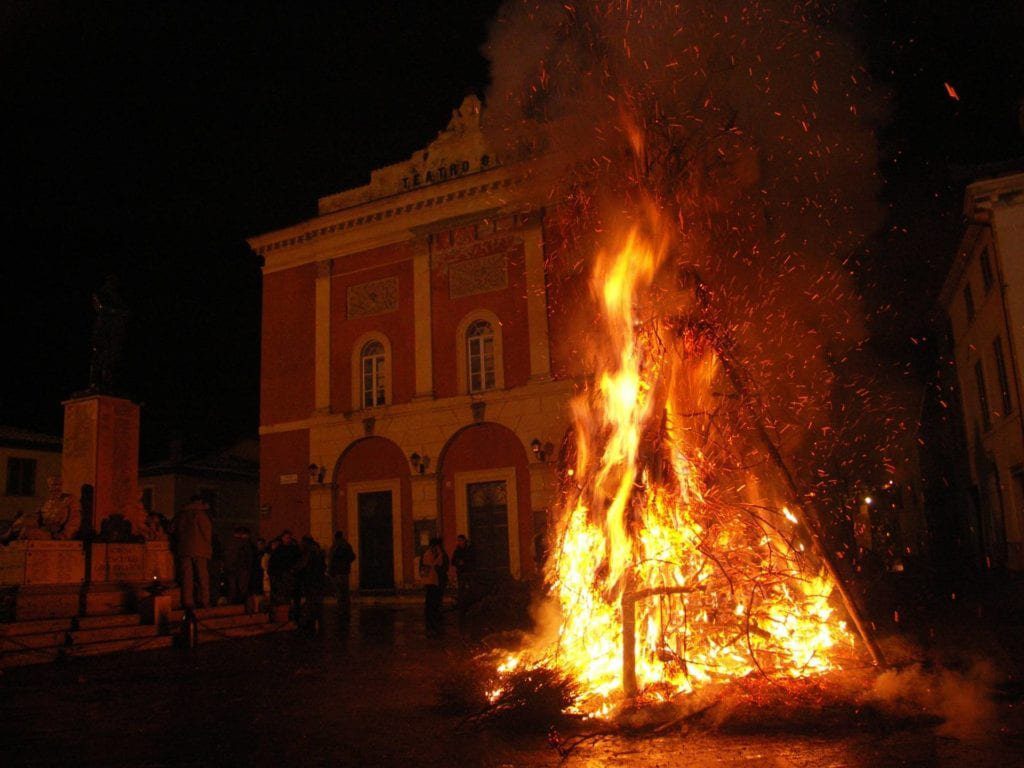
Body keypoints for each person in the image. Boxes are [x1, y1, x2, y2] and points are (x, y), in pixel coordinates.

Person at [172, 496, 213, 609]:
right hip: (200, 550)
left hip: (184, 549)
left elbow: (173, 530)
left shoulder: (181, 514)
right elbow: (206, 533)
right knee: (202, 576)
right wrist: (208, 547)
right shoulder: (201, 515)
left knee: (186, 577)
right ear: (200, 502)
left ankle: (187, 601)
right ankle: (204, 601)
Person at [294, 535, 327, 634]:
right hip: (318, 581)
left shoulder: (309, 552)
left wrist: (293, 570)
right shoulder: (318, 551)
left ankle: (307, 623)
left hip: (311, 581)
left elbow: (302, 565)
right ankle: (318, 622)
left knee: (310, 602)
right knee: (317, 602)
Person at [421, 537, 447, 637]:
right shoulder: (429, 554)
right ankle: (432, 624)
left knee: (433, 602)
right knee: (432, 603)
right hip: (432, 581)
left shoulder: (429, 552)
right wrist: (440, 554)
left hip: (432, 581)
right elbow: (437, 564)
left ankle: (433, 622)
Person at [328, 531, 356, 623]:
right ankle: (346, 609)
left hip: (337, 572)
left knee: (340, 592)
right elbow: (352, 556)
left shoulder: (334, 546)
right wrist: (346, 563)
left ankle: (341, 610)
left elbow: (331, 559)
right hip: (344, 571)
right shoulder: (346, 545)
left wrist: (330, 571)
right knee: (345, 591)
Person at [226, 526, 256, 606]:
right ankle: (240, 605)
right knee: (242, 588)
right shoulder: (246, 544)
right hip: (242, 569)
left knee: (233, 588)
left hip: (232, 569)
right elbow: (249, 558)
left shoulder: (230, 544)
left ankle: (232, 605)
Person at [451, 534, 476, 623]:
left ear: (464, 541)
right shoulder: (457, 550)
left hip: (469, 571)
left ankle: (472, 603)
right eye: (458, 541)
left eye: (460, 540)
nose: (459, 542)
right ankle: (462, 604)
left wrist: (465, 561)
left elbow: (473, 559)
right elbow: (453, 561)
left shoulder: (469, 549)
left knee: (471, 587)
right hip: (461, 572)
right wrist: (458, 562)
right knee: (461, 588)